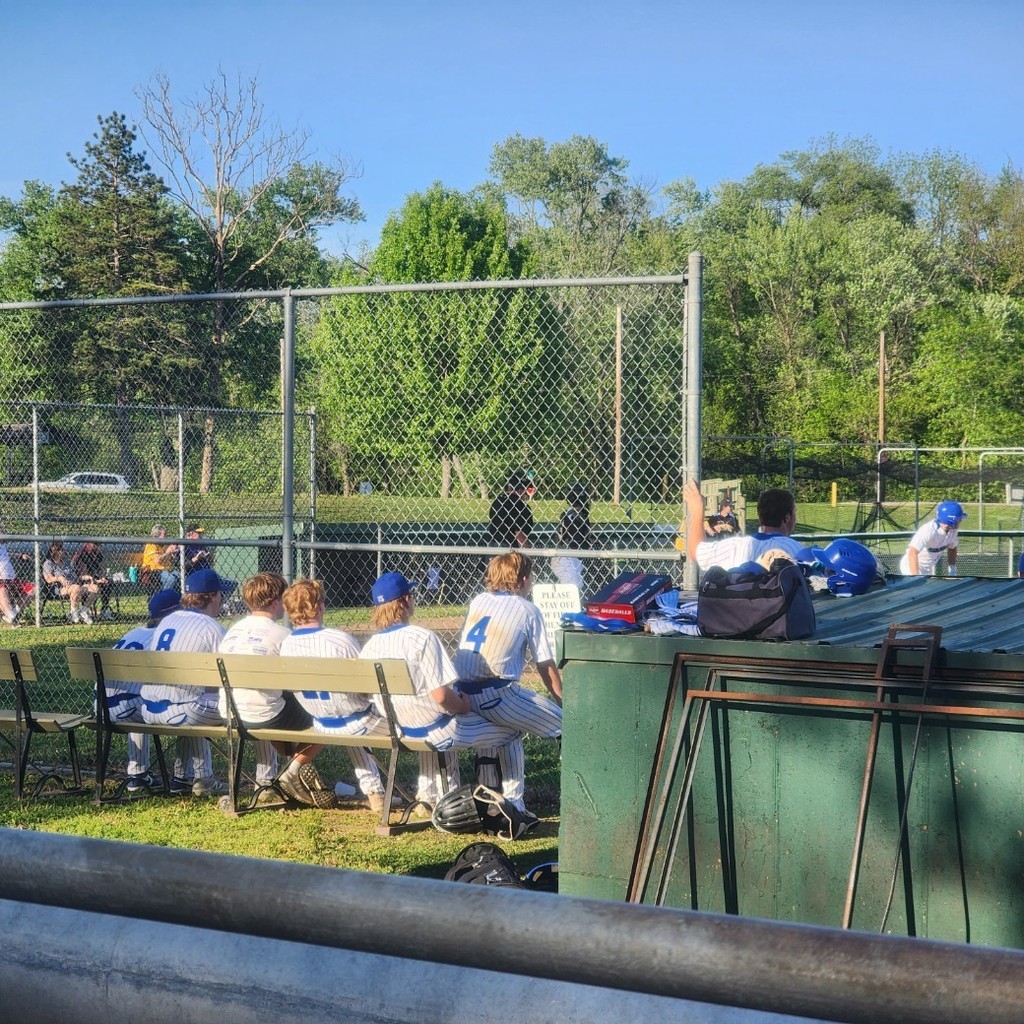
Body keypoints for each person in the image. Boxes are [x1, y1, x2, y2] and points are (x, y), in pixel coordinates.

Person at [359, 571, 530, 823]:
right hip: (436, 729)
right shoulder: (421, 637)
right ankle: (514, 804)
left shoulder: (370, 646)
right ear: (406, 601)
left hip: (400, 728)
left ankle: (429, 797)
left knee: (431, 719)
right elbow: (441, 696)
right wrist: (462, 705)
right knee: (511, 732)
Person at [454, 552, 563, 811]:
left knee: (508, 732)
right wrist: (563, 700)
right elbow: (545, 664)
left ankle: (490, 795)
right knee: (567, 725)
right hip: (497, 696)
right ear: (523, 579)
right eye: (531, 577)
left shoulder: (478, 600)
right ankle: (521, 803)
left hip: (463, 695)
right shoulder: (528, 610)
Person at [279, 578, 393, 813]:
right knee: (360, 716)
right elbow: (367, 685)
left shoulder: (287, 644)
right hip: (358, 722)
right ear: (319, 607)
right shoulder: (339, 639)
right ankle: (380, 794)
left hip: (322, 725)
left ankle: (376, 794)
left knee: (350, 715)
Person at [218, 572, 314, 805]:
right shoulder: (283, 634)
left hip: (229, 712)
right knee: (322, 715)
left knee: (266, 699)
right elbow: (299, 680)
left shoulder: (233, 631)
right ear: (275, 602)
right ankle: (290, 772)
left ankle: (269, 780)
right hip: (264, 714)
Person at [139, 567, 235, 797]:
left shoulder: (168, 620)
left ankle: (186, 778)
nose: (222, 599)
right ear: (211, 597)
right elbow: (227, 679)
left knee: (195, 698)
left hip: (149, 709)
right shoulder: (212, 628)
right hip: (186, 711)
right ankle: (205, 779)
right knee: (238, 705)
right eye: (221, 594)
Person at [107, 588, 182, 792]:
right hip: (127, 707)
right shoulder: (162, 638)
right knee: (181, 705)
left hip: (101, 707)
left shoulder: (135, 632)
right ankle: (185, 776)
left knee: (137, 696)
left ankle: (138, 775)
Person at [684, 478, 804, 572]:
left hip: (738, 603)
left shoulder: (735, 546)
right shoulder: (796, 549)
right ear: (787, 518)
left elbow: (695, 551)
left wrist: (697, 509)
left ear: (759, 516)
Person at [899, 500, 966, 576]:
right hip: (910, 566)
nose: (960, 521)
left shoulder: (953, 531)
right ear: (949, 520)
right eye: (959, 519)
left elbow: (952, 548)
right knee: (919, 587)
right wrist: (915, 577)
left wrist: (952, 569)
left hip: (927, 569)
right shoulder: (929, 530)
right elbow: (912, 552)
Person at [43, 540, 99, 624]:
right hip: (58, 589)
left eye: (62, 549)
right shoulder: (48, 563)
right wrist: (59, 578)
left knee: (95, 588)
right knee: (76, 587)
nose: (63, 551)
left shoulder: (66, 561)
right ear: (54, 551)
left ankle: (83, 610)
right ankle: (73, 613)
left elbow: (74, 577)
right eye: (60, 549)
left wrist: (84, 577)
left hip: (74, 585)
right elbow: (48, 579)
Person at [551, 483, 592, 591]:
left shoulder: (571, 513)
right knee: (574, 590)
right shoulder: (573, 515)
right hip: (568, 557)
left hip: (569, 557)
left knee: (576, 589)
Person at [488, 470, 534, 549]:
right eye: (525, 490)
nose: (526, 494)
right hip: (511, 549)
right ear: (520, 490)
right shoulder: (521, 506)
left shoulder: (497, 502)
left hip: (493, 546)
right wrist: (527, 556)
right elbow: (520, 535)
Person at [71, 541, 113, 620]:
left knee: (108, 583)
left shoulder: (97, 554)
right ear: (89, 544)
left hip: (94, 577)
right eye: (96, 545)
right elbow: (83, 574)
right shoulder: (81, 554)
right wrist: (95, 580)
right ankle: (85, 610)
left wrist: (102, 577)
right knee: (90, 585)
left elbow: (100, 568)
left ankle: (104, 610)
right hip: (83, 579)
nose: (98, 547)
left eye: (98, 545)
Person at [0, 531, 32, 627]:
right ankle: (12, 617)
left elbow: (6, 554)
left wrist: (20, 555)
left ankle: (13, 614)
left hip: (12, 579)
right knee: (2, 592)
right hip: (0, 579)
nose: (2, 533)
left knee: (33, 589)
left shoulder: (3, 545)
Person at [141, 524, 180, 590]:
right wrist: (167, 553)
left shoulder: (164, 545)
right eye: (164, 534)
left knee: (182, 577)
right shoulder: (151, 545)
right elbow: (156, 561)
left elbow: (171, 561)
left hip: (167, 569)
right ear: (157, 535)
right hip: (154, 570)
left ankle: (176, 598)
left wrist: (173, 553)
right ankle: (164, 597)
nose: (166, 536)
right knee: (170, 579)